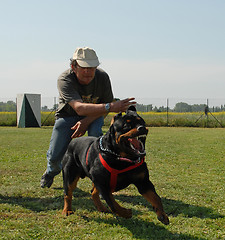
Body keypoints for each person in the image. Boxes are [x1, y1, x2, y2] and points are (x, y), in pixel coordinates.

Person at [40, 47, 136, 188]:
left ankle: (100, 175)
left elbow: (103, 108)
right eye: (83, 67)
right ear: (74, 66)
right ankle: (50, 172)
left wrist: (86, 121)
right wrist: (110, 107)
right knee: (55, 154)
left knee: (98, 141)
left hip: (94, 116)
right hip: (67, 117)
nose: (88, 71)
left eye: (92, 67)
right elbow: (79, 107)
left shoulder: (102, 77)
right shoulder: (65, 79)